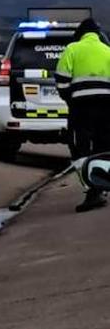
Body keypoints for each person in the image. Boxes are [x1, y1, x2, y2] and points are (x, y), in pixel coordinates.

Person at [54, 17, 110, 212]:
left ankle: (90, 189)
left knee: (80, 147)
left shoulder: (73, 49)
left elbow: (61, 80)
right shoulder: (107, 51)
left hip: (81, 108)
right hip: (106, 108)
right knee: (103, 147)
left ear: (81, 34)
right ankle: (100, 187)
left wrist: (70, 99)